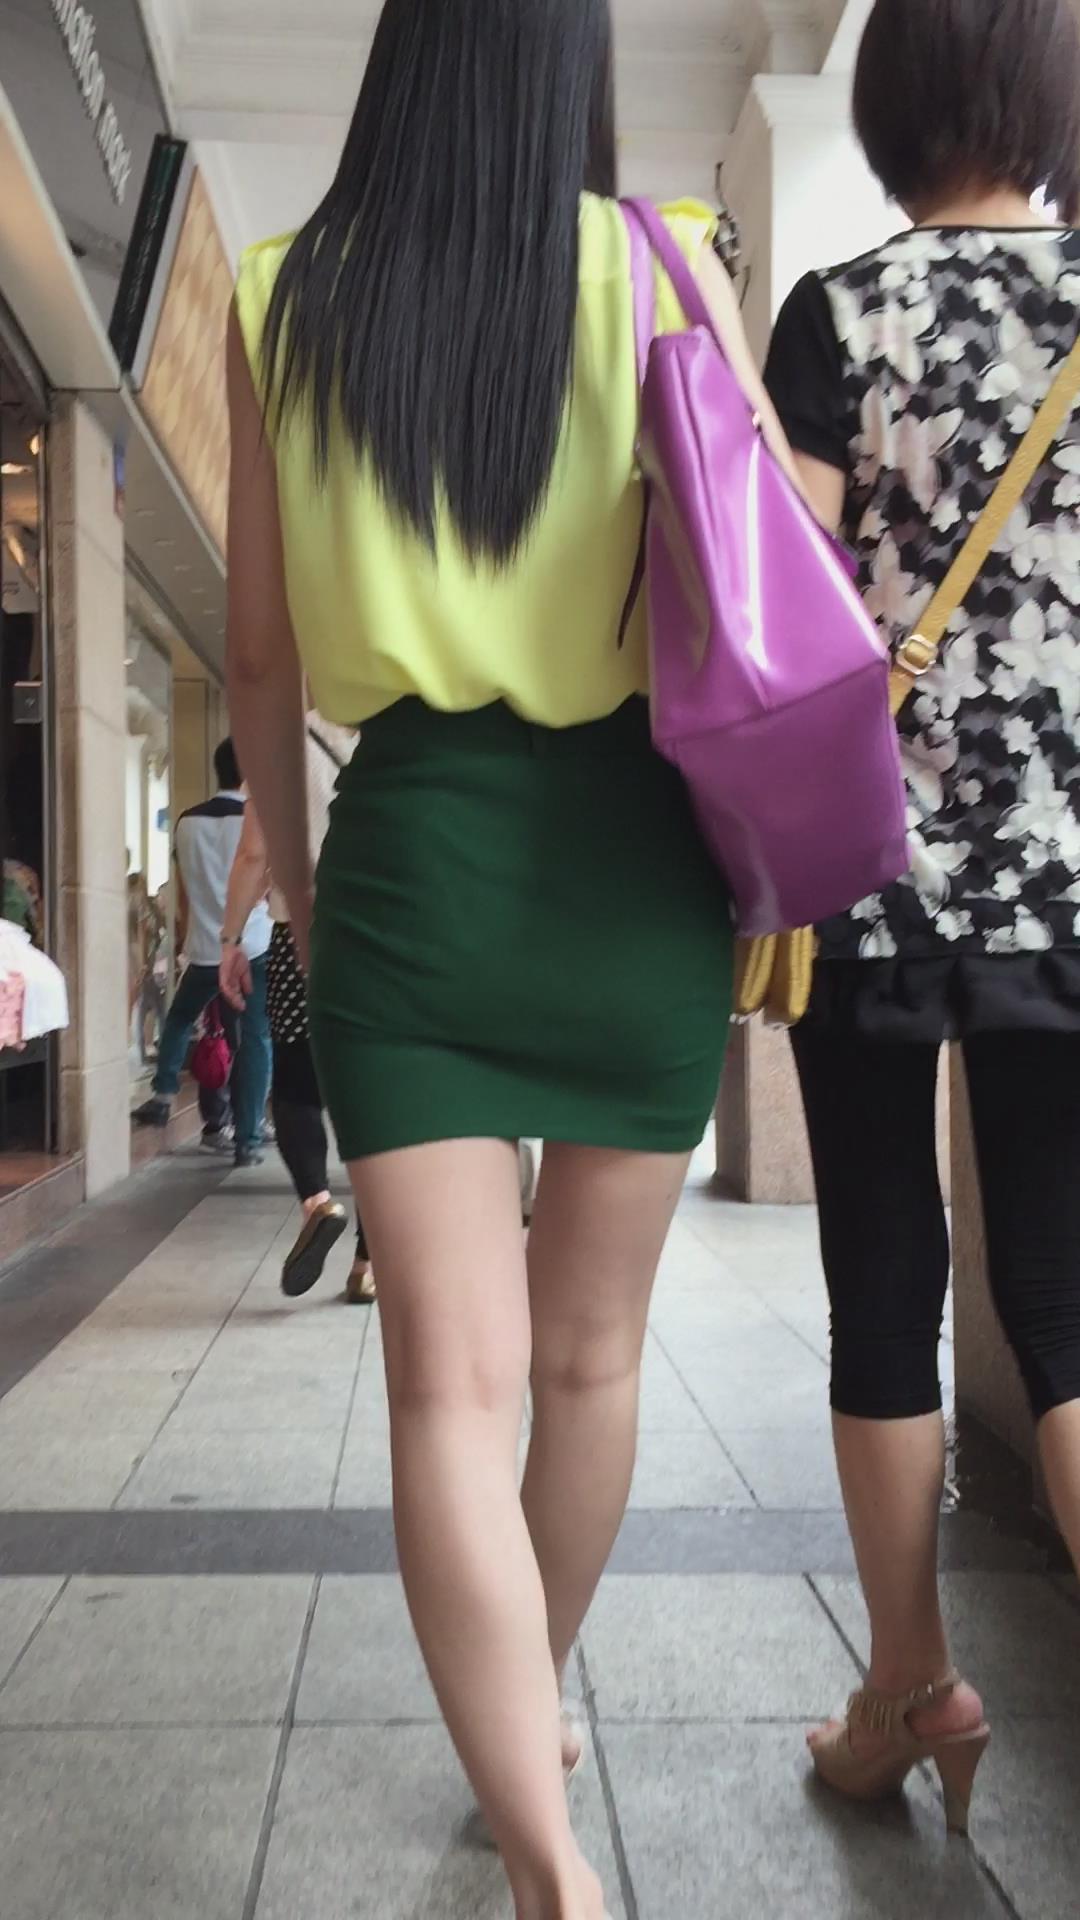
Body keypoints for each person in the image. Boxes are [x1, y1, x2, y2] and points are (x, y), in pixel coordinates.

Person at [224, 4, 793, 1912]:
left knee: (444, 1394)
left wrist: (307, 895)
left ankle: (546, 1853)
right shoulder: (669, 264)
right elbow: (764, 565)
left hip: (415, 864)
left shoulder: (282, 297)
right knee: (588, 1361)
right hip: (638, 866)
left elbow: (257, 659)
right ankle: (527, 1717)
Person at [762, 0, 1080, 1832]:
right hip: (1074, 885)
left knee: (884, 1286)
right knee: (1067, 1296)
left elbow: (788, 615)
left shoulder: (838, 314)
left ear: (889, 108)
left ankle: (909, 1685)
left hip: (868, 876)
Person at [219, 716, 376, 1305]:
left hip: (299, 933)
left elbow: (254, 853)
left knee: (295, 1079)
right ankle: (367, 1264)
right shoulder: (405, 720)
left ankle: (318, 1201)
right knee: (377, 1097)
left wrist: (230, 939)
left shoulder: (283, 734)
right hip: (387, 934)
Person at [134, 739, 272, 1169]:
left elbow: (183, 890)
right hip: (253, 945)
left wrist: (183, 932)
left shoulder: (187, 822)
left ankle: (162, 1095)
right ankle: (248, 1139)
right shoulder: (257, 818)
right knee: (255, 1039)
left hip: (204, 946)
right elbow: (264, 878)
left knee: (178, 1019)